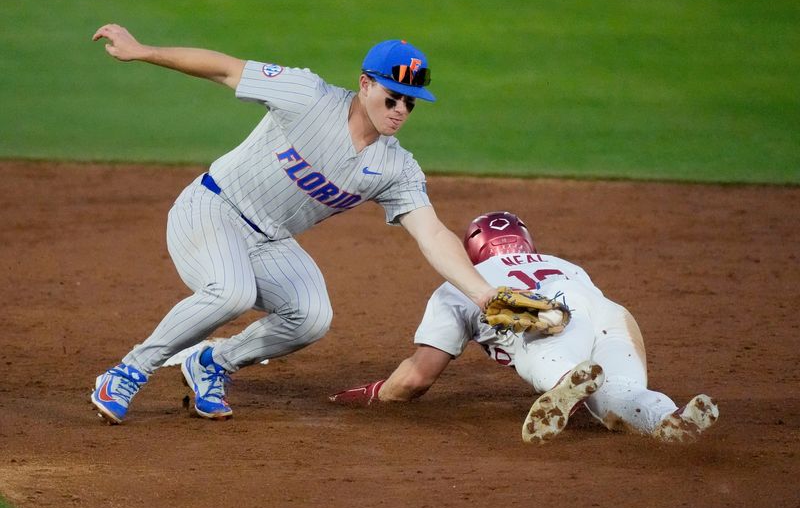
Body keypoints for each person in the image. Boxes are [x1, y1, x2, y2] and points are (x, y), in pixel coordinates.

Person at [89, 24, 498, 424]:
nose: (401, 111)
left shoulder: (395, 166)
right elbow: (225, 68)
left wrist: (482, 294)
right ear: (365, 84)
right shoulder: (307, 96)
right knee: (231, 293)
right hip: (212, 208)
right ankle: (127, 373)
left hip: (270, 240)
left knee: (310, 317)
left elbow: (432, 233)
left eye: (411, 103)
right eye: (393, 98)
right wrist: (143, 51)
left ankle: (212, 362)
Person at [330, 211, 720, 444]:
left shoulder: (461, 285)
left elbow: (417, 379)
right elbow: (589, 315)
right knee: (622, 395)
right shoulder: (564, 263)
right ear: (525, 243)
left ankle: (566, 377)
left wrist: (374, 392)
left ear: (472, 250)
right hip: (608, 312)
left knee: (543, 351)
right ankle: (670, 419)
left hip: (553, 321)